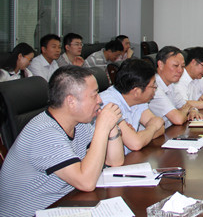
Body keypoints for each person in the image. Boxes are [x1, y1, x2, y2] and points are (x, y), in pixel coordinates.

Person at [0, 66, 124, 217]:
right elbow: (86, 182)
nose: (100, 100)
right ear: (71, 101)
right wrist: (102, 128)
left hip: (64, 203)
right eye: (94, 95)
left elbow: (115, 161)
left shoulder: (79, 123)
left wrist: (111, 127)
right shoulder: (44, 133)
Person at [100, 59, 165, 154]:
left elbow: (161, 128)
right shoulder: (109, 104)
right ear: (136, 91)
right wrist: (153, 127)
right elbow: (136, 144)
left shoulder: (137, 100)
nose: (155, 89)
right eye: (153, 86)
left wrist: (140, 136)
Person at [148, 46, 203, 128]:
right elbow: (178, 119)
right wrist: (184, 111)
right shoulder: (154, 88)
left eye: (182, 66)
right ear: (161, 65)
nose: (180, 70)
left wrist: (193, 110)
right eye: (175, 66)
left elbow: (186, 105)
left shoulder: (171, 85)